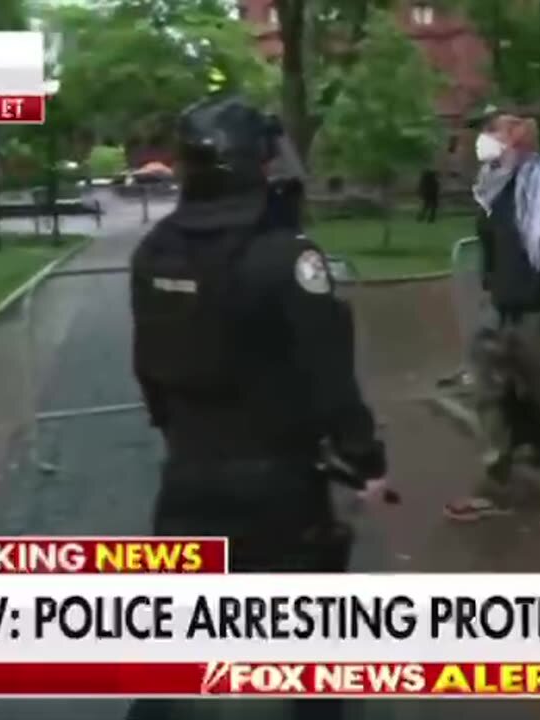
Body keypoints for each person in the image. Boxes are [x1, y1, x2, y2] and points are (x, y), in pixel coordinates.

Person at [128, 93, 388, 718]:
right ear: (254, 166)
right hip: (279, 482)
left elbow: (149, 370)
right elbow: (331, 381)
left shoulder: (155, 250)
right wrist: (365, 459)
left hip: (187, 475)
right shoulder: (287, 257)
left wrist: (185, 434)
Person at [443, 105, 540, 522]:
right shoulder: (494, 190)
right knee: (487, 384)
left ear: (520, 139)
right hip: (501, 306)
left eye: (494, 131)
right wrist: (493, 284)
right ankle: (497, 472)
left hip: (538, 308)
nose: (484, 140)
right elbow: (489, 242)